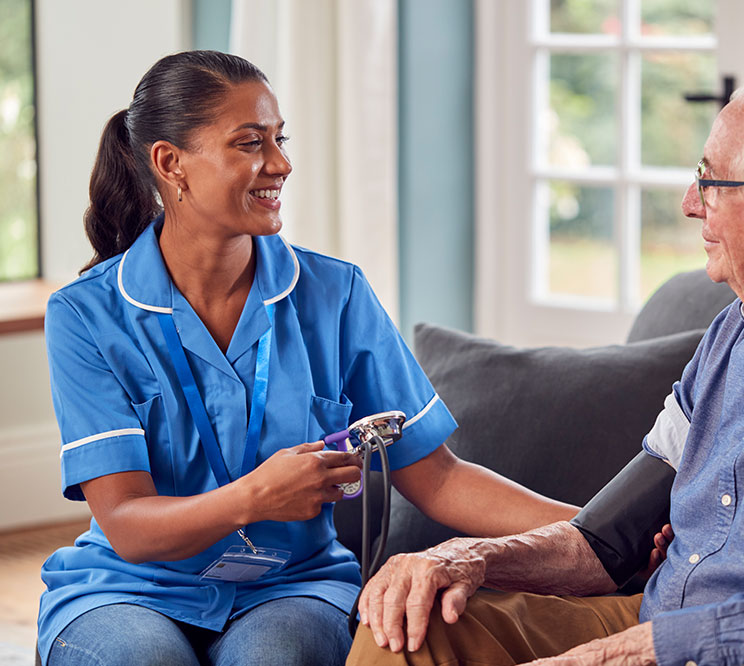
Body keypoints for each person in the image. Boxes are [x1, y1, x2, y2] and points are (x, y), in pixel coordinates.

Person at [348, 70, 744, 666]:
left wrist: (646, 647)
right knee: (407, 626)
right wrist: (467, 558)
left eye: (711, 181)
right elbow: (605, 542)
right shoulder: (733, 329)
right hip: (651, 616)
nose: (688, 203)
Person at [39, 50, 587, 666]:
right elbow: (127, 524)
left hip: (291, 586)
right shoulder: (86, 314)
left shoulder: (336, 293)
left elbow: (437, 478)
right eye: (249, 143)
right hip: (129, 591)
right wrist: (255, 497)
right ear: (171, 165)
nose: (280, 164)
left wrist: (600, 530)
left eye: (278, 139)